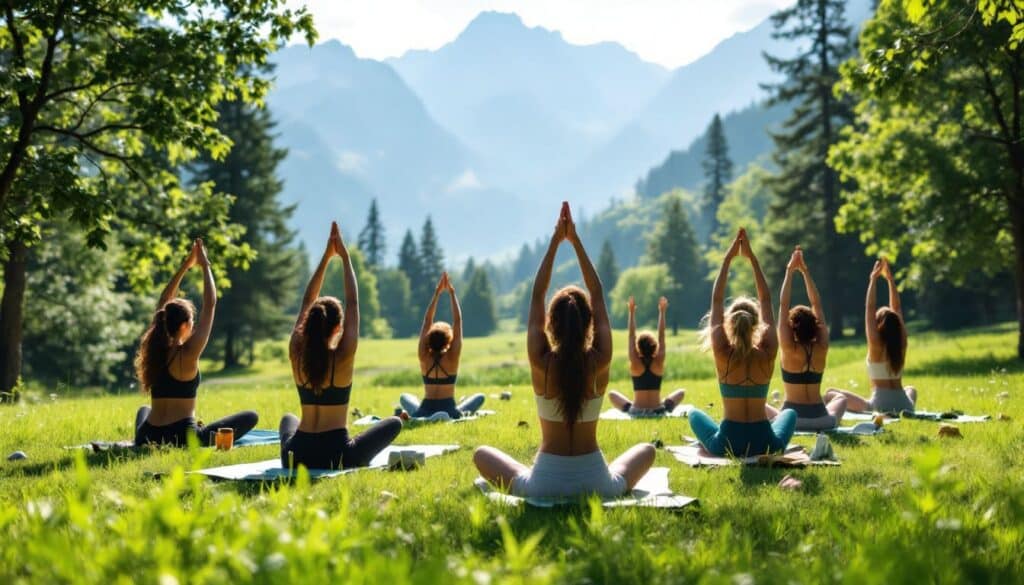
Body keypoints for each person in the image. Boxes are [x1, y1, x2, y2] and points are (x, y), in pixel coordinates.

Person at [473, 203, 655, 498]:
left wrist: (556, 241)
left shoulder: (541, 362)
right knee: (646, 450)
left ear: (551, 323)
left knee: (481, 453)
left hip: (544, 483)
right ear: (589, 323)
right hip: (597, 484)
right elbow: (597, 294)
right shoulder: (600, 360)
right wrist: (576, 242)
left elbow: (536, 295)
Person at [279, 222, 402, 470]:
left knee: (288, 419)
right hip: (338, 455)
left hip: (295, 455)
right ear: (337, 328)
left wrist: (325, 259)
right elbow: (353, 302)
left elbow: (307, 300)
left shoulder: (296, 352)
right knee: (394, 423)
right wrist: (344, 258)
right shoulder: (343, 356)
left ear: (309, 324)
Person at [133, 239, 258, 446]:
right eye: (191, 321)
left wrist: (186, 265)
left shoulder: (156, 348)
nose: (193, 326)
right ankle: (199, 431)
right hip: (183, 437)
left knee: (144, 411)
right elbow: (210, 304)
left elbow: (164, 301)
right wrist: (205, 265)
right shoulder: (188, 353)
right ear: (183, 325)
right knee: (251, 416)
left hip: (148, 435)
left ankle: (145, 439)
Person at [688, 228, 796, 456]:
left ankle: (711, 442)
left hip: (727, 444)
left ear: (729, 323)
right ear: (757, 324)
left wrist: (728, 258)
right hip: (766, 444)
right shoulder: (767, 351)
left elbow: (717, 300)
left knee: (693, 414)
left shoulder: (722, 352)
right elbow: (766, 299)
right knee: (789, 414)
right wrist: (752, 259)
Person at [765, 247, 846, 431]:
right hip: (822, 420)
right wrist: (805, 272)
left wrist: (790, 271)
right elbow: (816, 303)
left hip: (791, 421)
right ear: (815, 326)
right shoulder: (822, 347)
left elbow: (783, 304)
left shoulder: (788, 348)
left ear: (792, 327)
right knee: (840, 398)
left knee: (758, 405)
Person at [824, 258, 916, 414]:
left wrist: (873, 280)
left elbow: (869, 307)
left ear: (878, 325)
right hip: (905, 404)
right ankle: (907, 409)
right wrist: (890, 280)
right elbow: (897, 308)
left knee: (829, 393)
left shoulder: (876, 345)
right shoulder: (902, 342)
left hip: (878, 406)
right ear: (897, 326)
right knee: (911, 389)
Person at [399, 272, 485, 419]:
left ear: (429, 338)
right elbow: (458, 321)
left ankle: (418, 415)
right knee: (480, 397)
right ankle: (452, 414)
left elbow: (427, 321)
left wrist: (437, 294)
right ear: (448, 340)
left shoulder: (424, 356)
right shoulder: (452, 357)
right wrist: (452, 293)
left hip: (425, 408)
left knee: (404, 397)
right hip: (449, 409)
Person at [607, 296, 685, 416]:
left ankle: (630, 406)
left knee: (612, 394)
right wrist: (662, 312)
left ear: (638, 346)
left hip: (636, 411)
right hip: (658, 410)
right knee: (681, 392)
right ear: (654, 345)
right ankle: (663, 404)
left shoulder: (635, 363)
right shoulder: (658, 362)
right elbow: (662, 336)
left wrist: (631, 312)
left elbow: (631, 336)